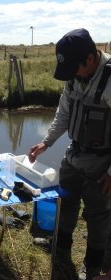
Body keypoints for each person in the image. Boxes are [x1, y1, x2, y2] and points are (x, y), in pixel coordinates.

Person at [28, 28, 111, 280]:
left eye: (75, 67)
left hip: (102, 162)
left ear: (89, 58)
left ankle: (93, 265)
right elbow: (63, 114)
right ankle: (61, 248)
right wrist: (46, 142)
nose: (71, 74)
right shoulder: (74, 76)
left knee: (98, 218)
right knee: (66, 202)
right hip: (74, 155)